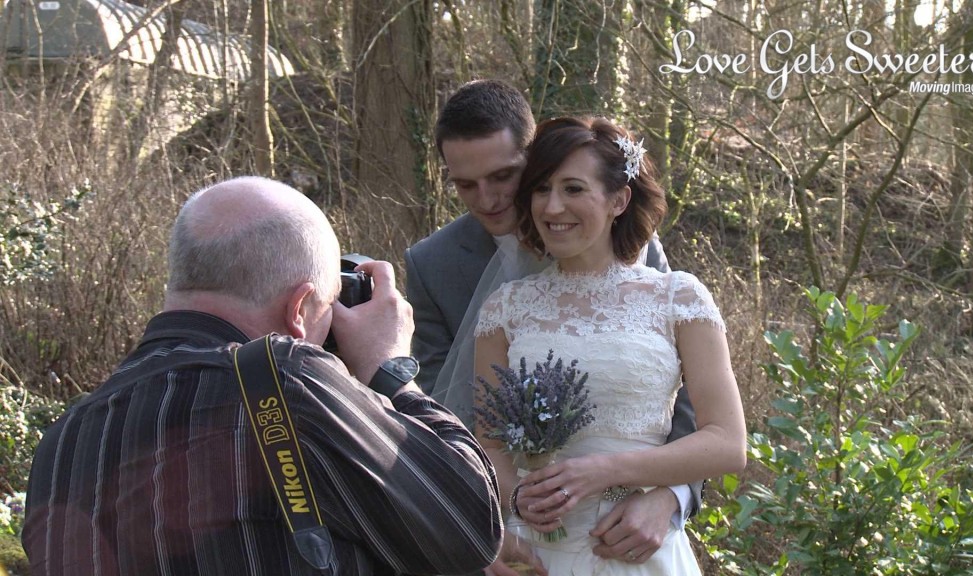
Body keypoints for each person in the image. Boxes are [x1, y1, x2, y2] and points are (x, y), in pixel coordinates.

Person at [22, 176, 502, 575]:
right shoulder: (287, 381)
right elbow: (471, 526)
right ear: (299, 308)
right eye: (329, 304)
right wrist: (389, 368)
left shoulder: (65, 439)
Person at [404, 81, 702, 570]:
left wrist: (671, 497)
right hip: (521, 534)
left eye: (504, 175)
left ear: (536, 155)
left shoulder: (622, 241)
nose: (488, 198)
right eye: (465, 184)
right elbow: (439, 412)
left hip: (631, 522)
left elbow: (680, 381)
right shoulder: (431, 264)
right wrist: (480, 532)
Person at [473, 117, 747, 574]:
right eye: (542, 189)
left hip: (635, 547)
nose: (552, 206)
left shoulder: (677, 298)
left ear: (619, 199)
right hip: (538, 551)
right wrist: (517, 499)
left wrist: (605, 472)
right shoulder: (505, 309)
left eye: (573, 189)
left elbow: (727, 442)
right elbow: (490, 447)